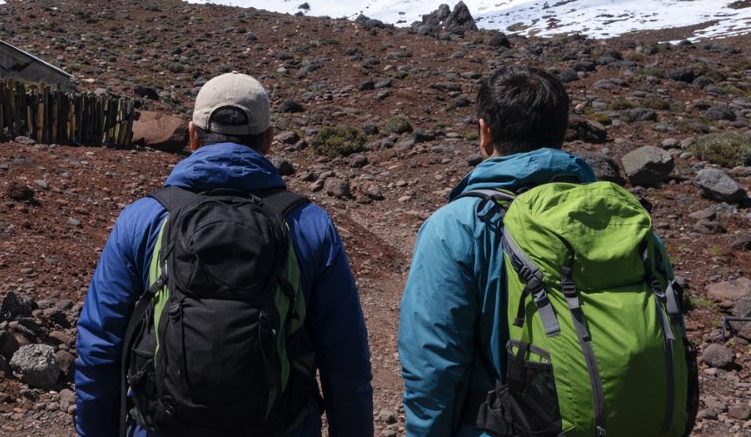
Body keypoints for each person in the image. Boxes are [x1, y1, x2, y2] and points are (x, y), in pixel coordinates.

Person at [75, 72, 375, 437]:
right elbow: (346, 362)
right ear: (268, 140)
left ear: (191, 136)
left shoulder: (144, 219)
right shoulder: (309, 224)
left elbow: (99, 347)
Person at [398, 64, 597, 436]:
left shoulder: (456, 225)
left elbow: (432, 361)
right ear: (562, 132)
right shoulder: (618, 217)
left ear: (484, 131)